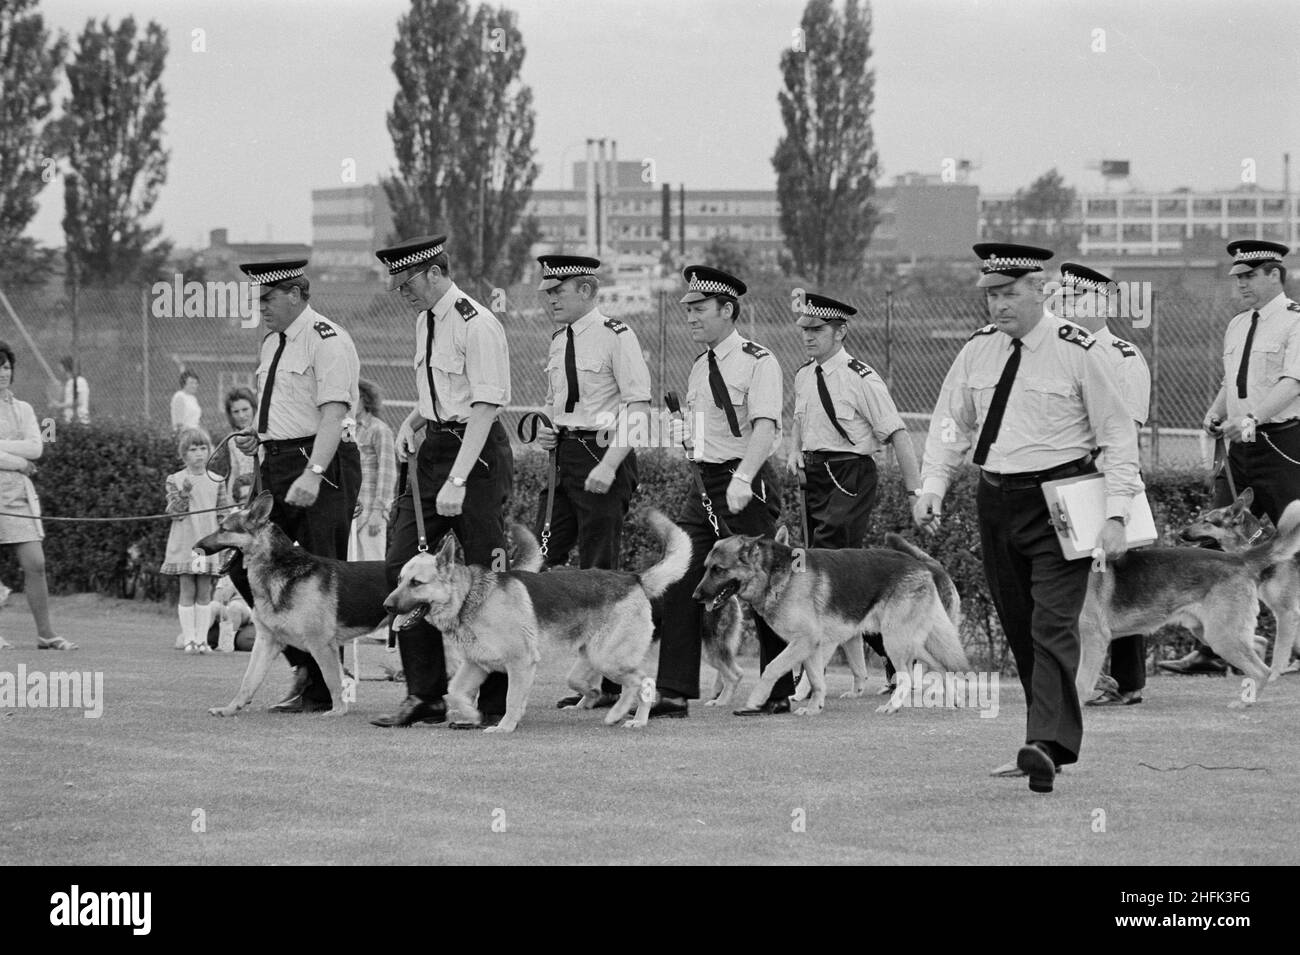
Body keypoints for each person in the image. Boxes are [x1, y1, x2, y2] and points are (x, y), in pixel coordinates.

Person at [913, 243, 1141, 794]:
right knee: (1021, 625)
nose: (998, 305)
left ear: (1040, 290)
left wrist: (1117, 512)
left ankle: (1045, 744)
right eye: (991, 294)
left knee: (1052, 624)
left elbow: (1117, 434)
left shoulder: (1078, 350)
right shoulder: (978, 351)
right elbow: (951, 423)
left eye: (1009, 293)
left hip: (1062, 500)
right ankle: (1041, 740)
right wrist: (934, 484)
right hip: (997, 499)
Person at [369, 235, 512, 729]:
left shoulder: (478, 323)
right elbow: (442, 393)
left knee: (485, 577)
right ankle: (425, 694)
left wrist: (458, 478)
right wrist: (414, 420)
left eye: (407, 283)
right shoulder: (424, 320)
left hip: (476, 456)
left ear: (434, 272)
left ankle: (493, 699)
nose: (402, 292)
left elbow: (485, 404)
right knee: (400, 567)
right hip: (434, 449)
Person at [650, 265, 792, 719]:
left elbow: (765, 427)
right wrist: (685, 433)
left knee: (766, 586)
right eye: (687, 309)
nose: (690, 317)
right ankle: (673, 692)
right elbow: (704, 427)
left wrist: (744, 478)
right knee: (680, 579)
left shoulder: (758, 360)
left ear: (727, 310)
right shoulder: (699, 366)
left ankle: (777, 690)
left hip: (745, 479)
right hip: (705, 482)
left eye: (699, 308)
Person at [230, 258, 362, 713]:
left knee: (324, 576)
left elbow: (334, 413)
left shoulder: (328, 340)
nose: (260, 306)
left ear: (295, 294)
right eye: (258, 299)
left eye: (267, 298)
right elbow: (285, 408)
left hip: (319, 461)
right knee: (238, 564)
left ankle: (328, 688)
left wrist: (314, 472)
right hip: (278, 460)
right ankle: (305, 662)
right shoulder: (272, 343)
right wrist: (259, 436)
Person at [1164, 239, 1299, 676]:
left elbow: (1293, 382)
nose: (1239, 283)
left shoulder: (1295, 321)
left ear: (1274, 275)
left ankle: (1293, 647)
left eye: (1247, 276)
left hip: (1281, 445)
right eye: (1237, 276)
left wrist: (1255, 416)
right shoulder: (1238, 324)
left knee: (1289, 543)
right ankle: (1218, 646)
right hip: (1241, 447)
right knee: (1238, 541)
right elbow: (1232, 380)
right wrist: (1217, 411)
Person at [786, 291, 923, 693]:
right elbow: (799, 419)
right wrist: (794, 450)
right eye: (805, 330)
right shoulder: (803, 374)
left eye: (818, 330)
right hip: (814, 475)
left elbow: (897, 434)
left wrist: (915, 490)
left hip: (851, 473)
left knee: (827, 566)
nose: (809, 337)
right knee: (833, 575)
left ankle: (812, 672)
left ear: (840, 331)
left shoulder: (862, 378)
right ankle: (898, 662)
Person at [532, 255, 653, 709]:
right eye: (546, 292)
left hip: (603, 454)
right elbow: (555, 404)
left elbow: (637, 406)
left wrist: (608, 463)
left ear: (585, 290)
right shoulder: (557, 339)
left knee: (601, 572)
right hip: (563, 457)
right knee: (541, 557)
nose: (549, 300)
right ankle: (585, 671)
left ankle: (607, 682)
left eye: (556, 291)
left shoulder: (617, 336)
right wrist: (547, 429)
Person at [1053, 262, 1151, 705]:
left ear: (1106, 302)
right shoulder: (1060, 350)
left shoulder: (1123, 358)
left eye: (1080, 298)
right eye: (1067, 297)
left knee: (1119, 578)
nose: (1070, 306)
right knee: (1071, 581)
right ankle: (1085, 678)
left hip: (1105, 478)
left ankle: (1128, 682)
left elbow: (1124, 430)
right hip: (1065, 480)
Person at [0, 340, 77, 650]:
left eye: (6, 367)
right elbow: (27, 455)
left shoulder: (24, 409)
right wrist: (20, 462)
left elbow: (38, 447)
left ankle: (45, 633)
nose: (3, 373)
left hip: (18, 497)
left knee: (36, 563)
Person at [161, 426, 230, 653]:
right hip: (185, 542)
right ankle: (189, 639)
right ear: (184, 454)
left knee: (204, 591)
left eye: (203, 448)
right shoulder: (176, 479)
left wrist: (226, 542)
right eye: (193, 449)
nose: (199, 453)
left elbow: (223, 515)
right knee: (187, 589)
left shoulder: (218, 480)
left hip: (207, 545)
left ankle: (202, 640)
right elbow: (174, 512)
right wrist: (184, 493)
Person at [348, 378, 397, 562]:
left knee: (372, 566)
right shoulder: (348, 430)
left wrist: (379, 511)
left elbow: (387, 472)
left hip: (371, 514)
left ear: (365, 399)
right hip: (351, 513)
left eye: (356, 397)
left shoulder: (379, 429)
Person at [222, 386, 259, 497]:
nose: (241, 416)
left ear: (253, 408)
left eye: (245, 409)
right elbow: (235, 471)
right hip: (244, 492)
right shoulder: (232, 440)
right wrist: (230, 498)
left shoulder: (264, 433)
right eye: (236, 412)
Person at [52, 356, 90, 425]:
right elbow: (71, 400)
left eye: (60, 366)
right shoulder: (72, 382)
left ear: (65, 367)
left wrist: (59, 405)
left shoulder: (78, 381)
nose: (59, 368)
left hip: (78, 422)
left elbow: (78, 401)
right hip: (72, 421)